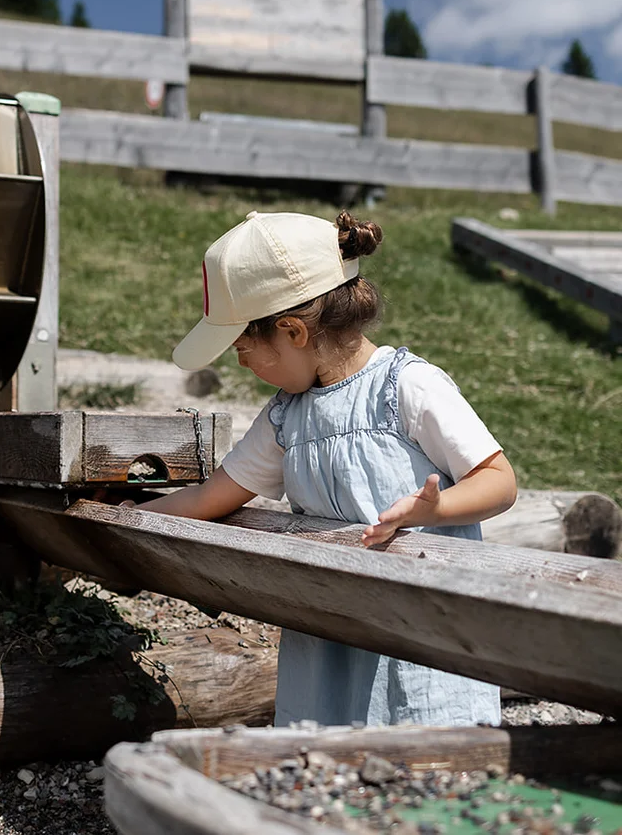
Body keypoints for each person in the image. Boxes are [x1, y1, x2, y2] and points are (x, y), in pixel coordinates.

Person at [122, 209, 517, 728]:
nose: (241, 364)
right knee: (325, 763)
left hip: (420, 629)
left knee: (422, 756)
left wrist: (440, 506)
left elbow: (499, 481)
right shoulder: (286, 417)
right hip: (331, 625)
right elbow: (210, 498)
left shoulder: (407, 388)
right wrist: (129, 515)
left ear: (291, 332)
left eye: (244, 349)